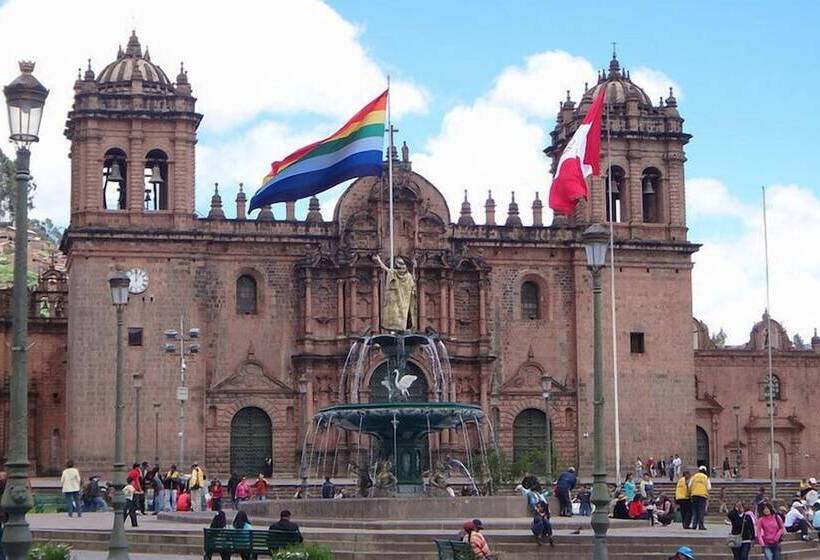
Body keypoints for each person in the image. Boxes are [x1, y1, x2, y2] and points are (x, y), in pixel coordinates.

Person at [688, 465, 711, 530]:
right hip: (702, 496)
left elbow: (689, 485)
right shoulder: (706, 477)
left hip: (694, 495)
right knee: (701, 510)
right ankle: (701, 525)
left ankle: (694, 525)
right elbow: (709, 487)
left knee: (695, 510)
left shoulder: (694, 476)